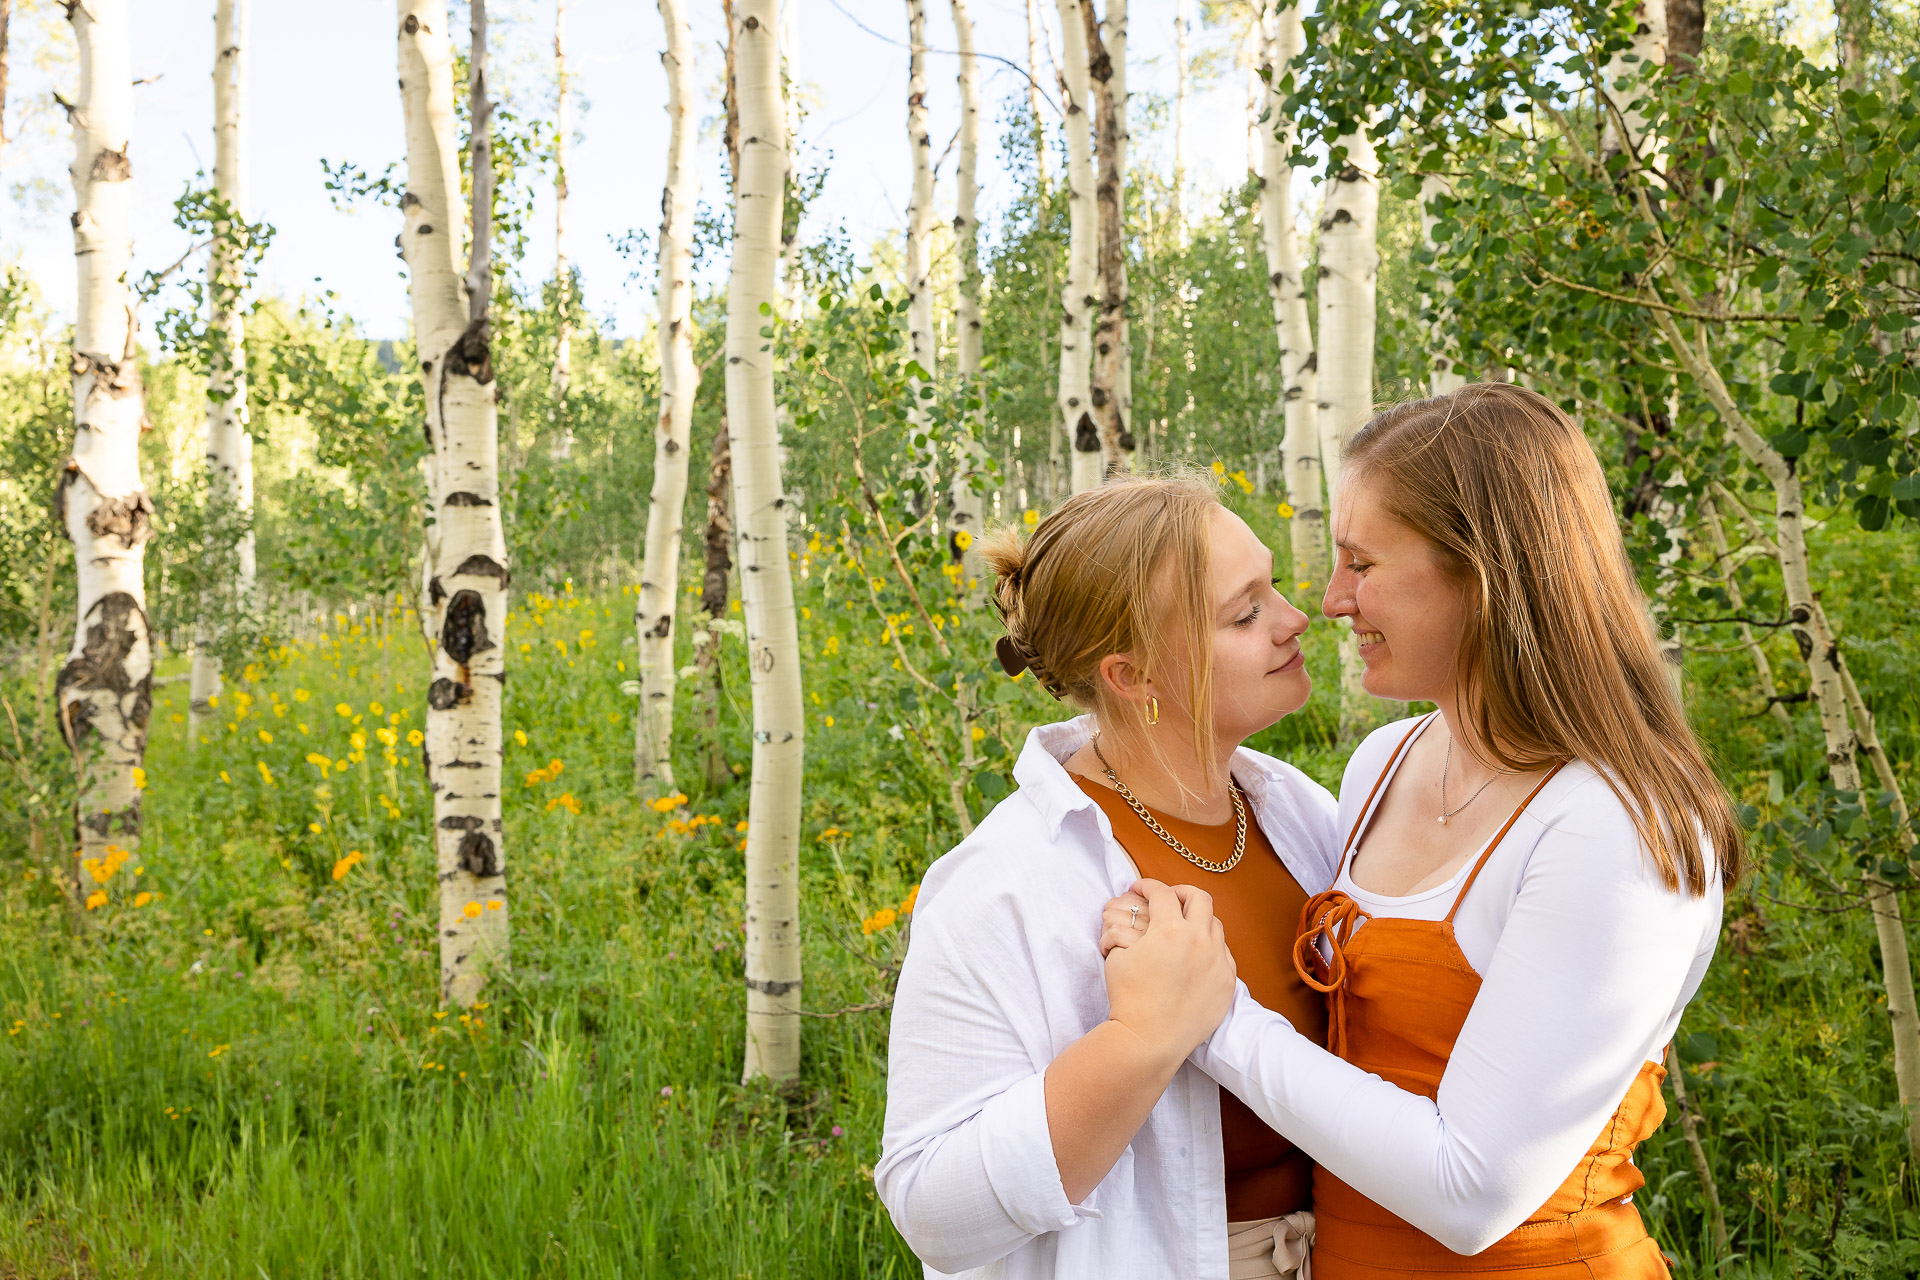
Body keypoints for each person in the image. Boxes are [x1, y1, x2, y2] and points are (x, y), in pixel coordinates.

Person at [1102, 384, 1746, 1278]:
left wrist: (1209, 1017)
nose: (1330, 601)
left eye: (1360, 563)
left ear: (1483, 573)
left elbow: (1470, 1192)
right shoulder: (1384, 762)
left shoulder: (1614, 826)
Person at [876, 472, 1341, 1279]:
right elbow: (931, 1212)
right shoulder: (1004, 885)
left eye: (1273, 587)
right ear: (1132, 677)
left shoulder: (1300, 814)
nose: (1296, 620)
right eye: (1245, 612)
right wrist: (1139, 1044)